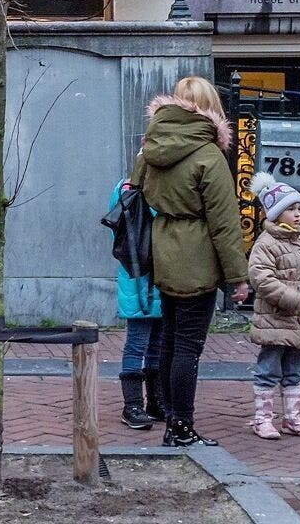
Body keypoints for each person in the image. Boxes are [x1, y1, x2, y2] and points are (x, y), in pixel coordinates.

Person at [128, 75, 249, 447]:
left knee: (169, 339)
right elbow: (224, 223)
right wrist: (237, 277)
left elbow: (135, 188)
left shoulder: (151, 147)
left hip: (163, 249)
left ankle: (168, 416)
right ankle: (181, 426)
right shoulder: (209, 156)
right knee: (188, 346)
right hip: (197, 257)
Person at [246, 173, 300, 440]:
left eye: (298, 209)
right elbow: (263, 281)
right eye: (290, 209)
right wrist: (297, 300)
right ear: (275, 213)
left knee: (295, 369)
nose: (297, 214)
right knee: (269, 369)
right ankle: (262, 419)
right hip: (275, 319)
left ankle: (292, 418)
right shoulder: (265, 245)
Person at [109, 178, 165, 430]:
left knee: (157, 345)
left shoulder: (127, 188)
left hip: (155, 279)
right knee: (137, 344)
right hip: (141, 280)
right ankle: (132, 405)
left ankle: (155, 401)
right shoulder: (129, 189)